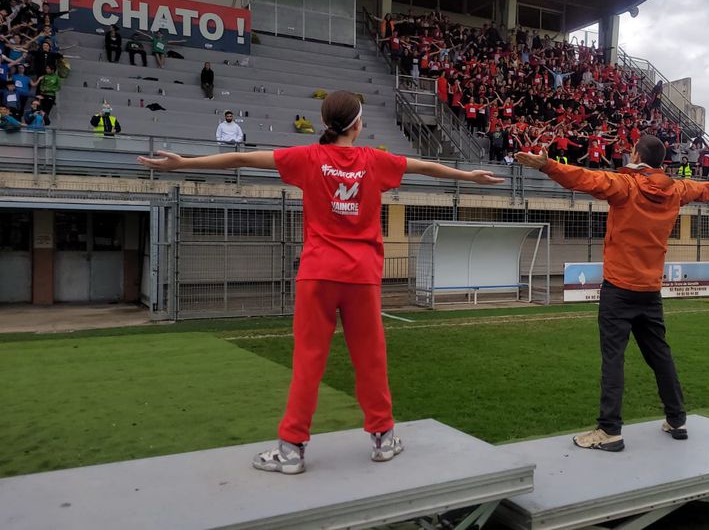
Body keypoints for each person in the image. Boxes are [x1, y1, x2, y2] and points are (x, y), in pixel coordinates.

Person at [137, 90, 504, 474]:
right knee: (371, 359)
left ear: (328, 122)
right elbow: (425, 167)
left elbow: (243, 157)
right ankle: (382, 438)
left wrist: (183, 163)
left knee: (308, 361)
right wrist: (468, 175)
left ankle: (292, 449)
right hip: (361, 275)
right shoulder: (374, 161)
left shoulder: (307, 158)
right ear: (358, 124)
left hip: (317, 273)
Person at [515, 136, 709, 451]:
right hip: (650, 290)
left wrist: (547, 165)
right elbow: (703, 189)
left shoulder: (625, 186)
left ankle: (609, 430)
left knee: (613, 359)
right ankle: (676, 419)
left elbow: (584, 178)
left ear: (638, 155)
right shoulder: (675, 189)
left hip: (619, 289)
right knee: (661, 356)